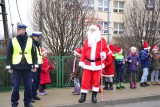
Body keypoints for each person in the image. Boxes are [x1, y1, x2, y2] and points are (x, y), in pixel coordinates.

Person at [6, 23, 38, 107]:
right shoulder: (13, 40)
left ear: (24, 30)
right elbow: (9, 54)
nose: (17, 31)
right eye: (17, 29)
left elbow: (34, 54)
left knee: (28, 87)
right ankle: (14, 103)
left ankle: (27, 102)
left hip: (27, 67)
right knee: (15, 87)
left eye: (19, 29)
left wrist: (35, 65)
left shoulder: (30, 40)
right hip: (16, 68)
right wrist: (9, 67)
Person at [78, 24, 108, 103]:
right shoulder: (87, 40)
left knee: (96, 80)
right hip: (88, 63)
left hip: (97, 64)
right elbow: (84, 51)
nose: (92, 31)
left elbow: (106, 50)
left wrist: (104, 53)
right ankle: (83, 95)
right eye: (91, 30)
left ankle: (94, 95)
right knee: (85, 80)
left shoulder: (102, 41)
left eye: (93, 30)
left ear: (97, 31)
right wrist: (82, 61)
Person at [30, 32, 42, 102]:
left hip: (38, 65)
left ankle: (34, 95)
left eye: (39, 37)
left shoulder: (37, 44)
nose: (39, 38)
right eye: (38, 37)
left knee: (37, 81)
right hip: (33, 66)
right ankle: (30, 96)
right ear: (34, 36)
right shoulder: (31, 43)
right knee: (33, 81)